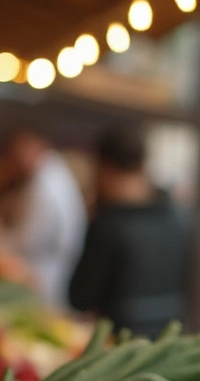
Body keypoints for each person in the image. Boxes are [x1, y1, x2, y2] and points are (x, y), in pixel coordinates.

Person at [68, 125, 190, 338]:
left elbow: (80, 298)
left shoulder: (107, 225)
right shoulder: (179, 218)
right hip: (169, 344)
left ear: (104, 167)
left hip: (118, 349)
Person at [8, 129, 87, 309]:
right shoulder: (52, 175)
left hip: (45, 271)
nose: (16, 158)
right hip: (53, 266)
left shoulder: (45, 184)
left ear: (38, 146)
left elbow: (28, 239)